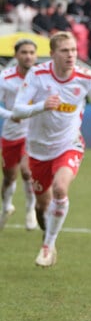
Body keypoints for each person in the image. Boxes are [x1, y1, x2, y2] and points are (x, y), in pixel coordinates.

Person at [11, 31, 91, 268]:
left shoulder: (86, 77)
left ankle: (48, 245)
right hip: (38, 150)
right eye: (65, 51)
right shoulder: (38, 75)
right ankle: (46, 233)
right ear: (52, 54)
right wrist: (40, 106)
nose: (71, 55)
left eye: (74, 50)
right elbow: (17, 111)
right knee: (42, 206)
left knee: (60, 189)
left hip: (68, 144)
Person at [0, 38, 38, 232]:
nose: (28, 56)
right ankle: (6, 207)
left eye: (32, 52)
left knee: (27, 172)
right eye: (24, 52)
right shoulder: (5, 77)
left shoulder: (41, 77)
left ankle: (30, 209)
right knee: (8, 177)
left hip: (32, 134)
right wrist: (11, 115)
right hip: (10, 134)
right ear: (16, 55)